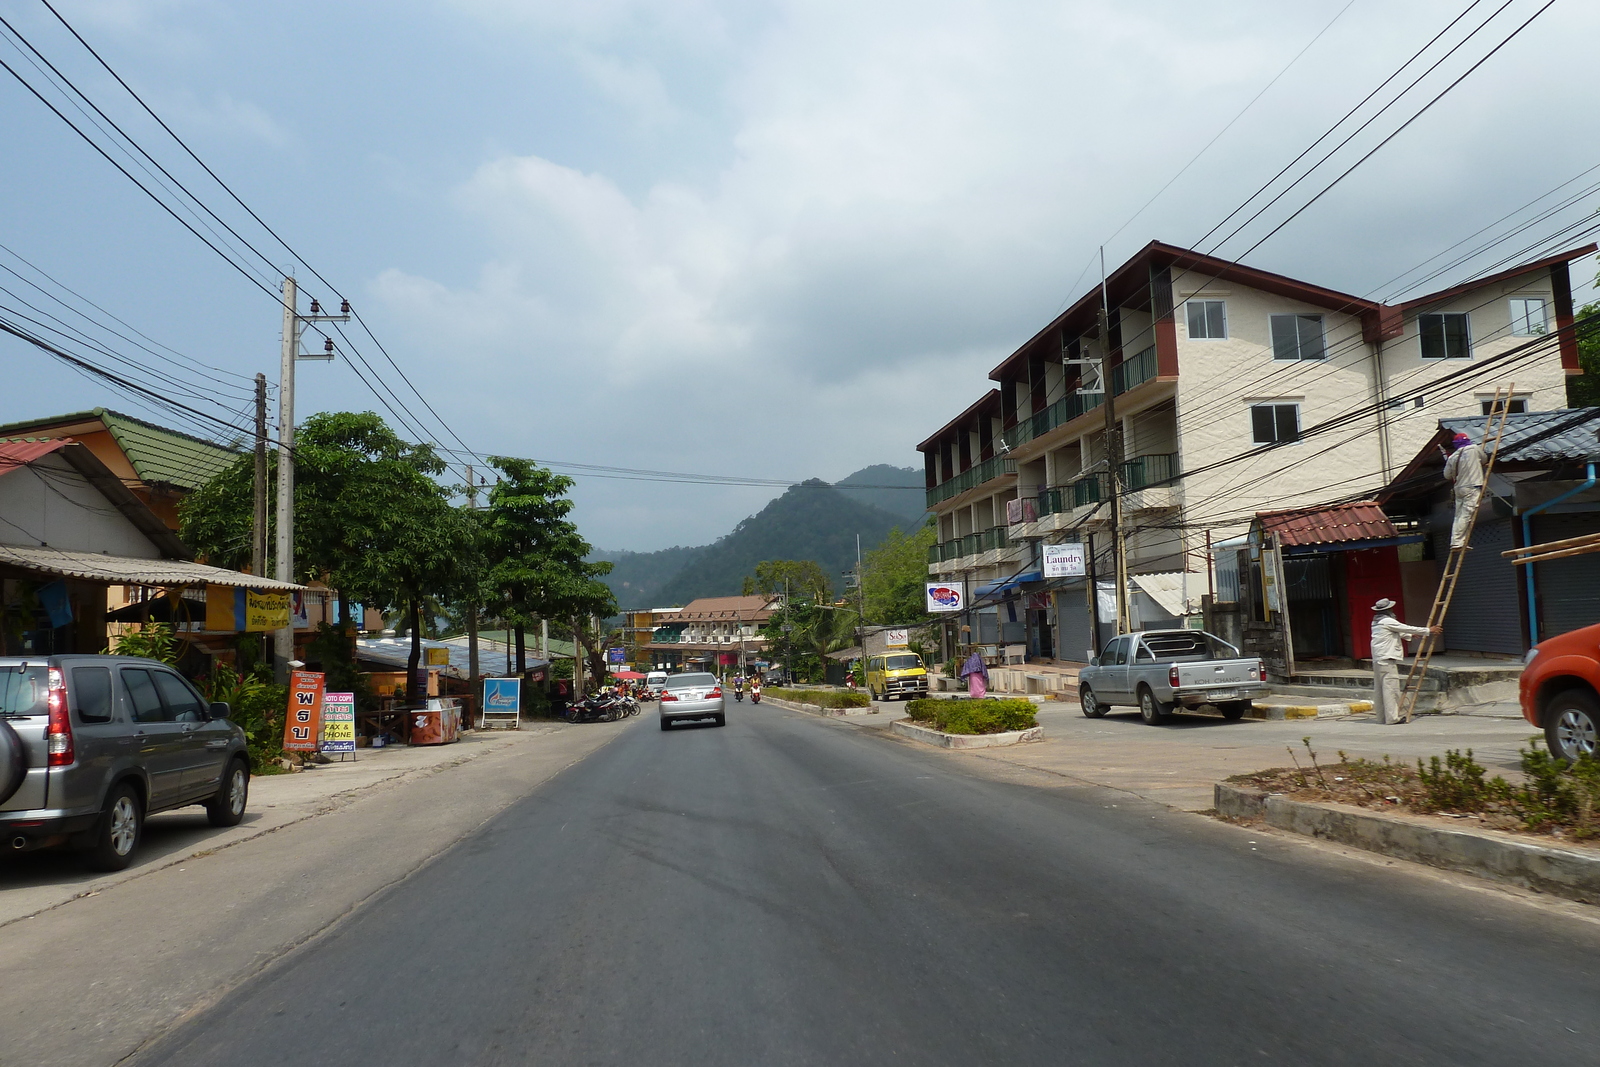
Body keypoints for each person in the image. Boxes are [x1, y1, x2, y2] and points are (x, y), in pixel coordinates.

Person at [1370, 598, 1441, 725]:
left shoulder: (1376, 622)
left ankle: (1382, 718)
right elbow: (1405, 628)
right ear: (1388, 610)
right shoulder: (1388, 620)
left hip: (1378, 659)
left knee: (1380, 690)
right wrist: (1428, 630)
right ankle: (1392, 718)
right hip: (1387, 660)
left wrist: (1409, 636)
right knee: (1391, 690)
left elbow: (1396, 632)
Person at [1442, 431, 1487, 550]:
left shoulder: (1453, 457)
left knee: (1458, 516)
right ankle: (1458, 543)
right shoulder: (1474, 449)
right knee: (1466, 515)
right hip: (1472, 486)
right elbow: (1484, 460)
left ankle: (1455, 541)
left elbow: (1447, 475)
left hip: (1459, 488)